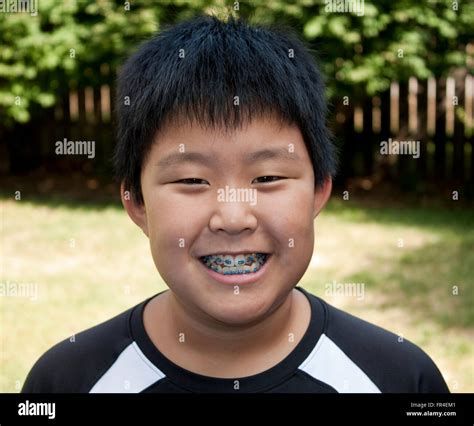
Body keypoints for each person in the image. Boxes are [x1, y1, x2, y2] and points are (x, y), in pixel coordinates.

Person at [22, 14, 449, 393]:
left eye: (267, 178)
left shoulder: (398, 378)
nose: (232, 217)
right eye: (191, 180)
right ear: (136, 204)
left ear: (319, 190)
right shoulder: (68, 381)